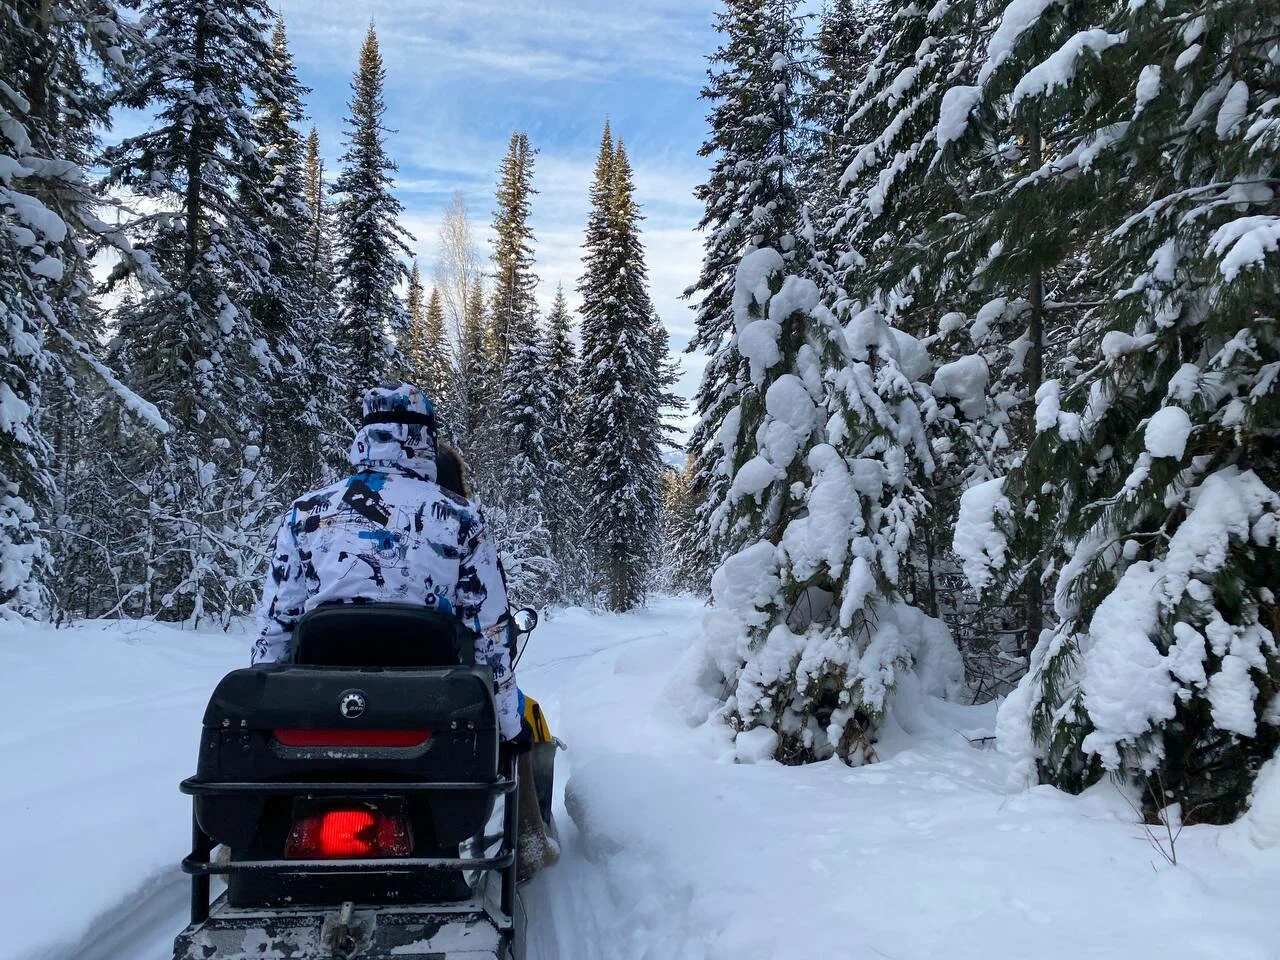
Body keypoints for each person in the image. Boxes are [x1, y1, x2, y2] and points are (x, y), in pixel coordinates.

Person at [251, 382, 554, 878]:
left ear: (364, 435)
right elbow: (491, 633)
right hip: (430, 710)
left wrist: (265, 708)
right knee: (513, 740)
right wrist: (511, 726)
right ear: (425, 442)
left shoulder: (306, 514)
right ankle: (526, 847)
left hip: (320, 708)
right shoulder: (461, 518)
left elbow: (276, 627)